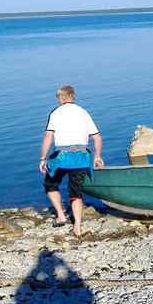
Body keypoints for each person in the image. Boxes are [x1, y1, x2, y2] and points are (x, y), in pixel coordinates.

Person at [39, 84, 103, 236]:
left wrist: (42, 158)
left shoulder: (55, 113)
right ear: (72, 96)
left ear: (60, 98)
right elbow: (97, 137)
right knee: (75, 193)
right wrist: (96, 156)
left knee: (50, 183)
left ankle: (61, 215)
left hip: (62, 157)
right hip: (81, 156)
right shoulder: (83, 112)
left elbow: (48, 136)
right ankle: (78, 228)